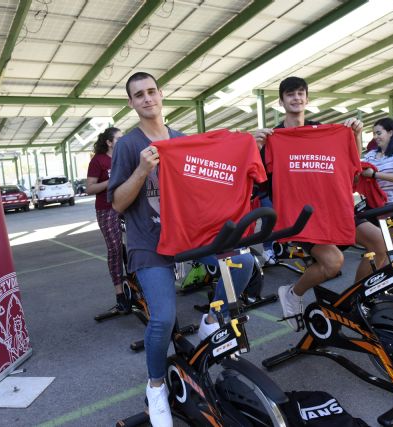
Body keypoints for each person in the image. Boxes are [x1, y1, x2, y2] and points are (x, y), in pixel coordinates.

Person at [107, 72, 254, 427]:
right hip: (149, 241)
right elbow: (117, 203)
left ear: (161, 95)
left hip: (188, 234)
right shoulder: (129, 146)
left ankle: (210, 320)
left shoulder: (184, 140)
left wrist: (250, 143)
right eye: (138, 95)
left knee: (243, 262)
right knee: (162, 319)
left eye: (151, 91)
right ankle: (156, 387)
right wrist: (142, 169)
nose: (146, 98)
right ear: (131, 103)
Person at [254, 76, 386, 331]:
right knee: (333, 263)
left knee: (379, 244)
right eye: (290, 94)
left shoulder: (327, 132)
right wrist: (255, 146)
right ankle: (293, 292)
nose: (296, 97)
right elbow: (258, 178)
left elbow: (353, 168)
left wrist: (354, 135)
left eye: (301, 93)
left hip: (334, 206)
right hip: (301, 215)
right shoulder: (274, 138)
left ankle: (356, 299)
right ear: (281, 102)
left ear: (307, 98)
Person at [86, 127, 129, 313]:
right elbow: (89, 188)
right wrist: (112, 181)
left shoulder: (124, 158)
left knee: (135, 244)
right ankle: (120, 293)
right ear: (109, 142)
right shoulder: (98, 160)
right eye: (118, 139)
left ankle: (137, 285)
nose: (122, 141)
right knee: (115, 248)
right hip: (106, 210)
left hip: (127, 206)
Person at [361, 117, 393, 266]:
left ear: (390, 132)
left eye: (378, 133)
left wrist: (375, 175)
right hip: (373, 207)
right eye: (374, 134)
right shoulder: (370, 155)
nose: (375, 137)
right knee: (379, 250)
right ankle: (382, 283)